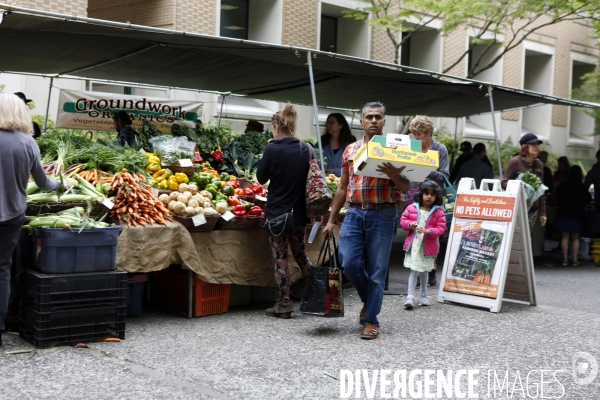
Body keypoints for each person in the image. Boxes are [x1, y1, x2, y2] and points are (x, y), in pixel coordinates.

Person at [323, 101, 409, 340]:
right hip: (354, 213)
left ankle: (371, 320)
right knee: (348, 262)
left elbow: (405, 186)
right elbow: (342, 188)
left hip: (383, 214)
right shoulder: (350, 150)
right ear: (361, 121)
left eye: (378, 117)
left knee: (377, 271)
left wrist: (393, 173)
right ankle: (369, 301)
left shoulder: (394, 149)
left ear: (384, 122)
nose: (373, 121)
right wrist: (331, 220)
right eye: (369, 117)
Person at [0, 93, 68, 347]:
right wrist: (61, 185)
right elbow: (43, 183)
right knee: (2, 270)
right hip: (12, 214)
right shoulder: (28, 143)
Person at [256, 104, 314, 319]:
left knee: (280, 257)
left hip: (277, 213)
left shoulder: (272, 148)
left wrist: (270, 147)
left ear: (276, 126)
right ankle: (317, 295)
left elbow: (261, 178)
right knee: (301, 256)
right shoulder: (306, 148)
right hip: (298, 212)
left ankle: (284, 303)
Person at [403, 115, 450, 287]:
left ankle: (431, 268)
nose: (416, 137)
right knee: (415, 233)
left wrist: (426, 167)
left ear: (429, 132)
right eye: (414, 133)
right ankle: (416, 269)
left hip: (434, 196)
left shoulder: (440, 149)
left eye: (420, 134)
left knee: (432, 233)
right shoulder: (410, 147)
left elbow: (444, 176)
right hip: (414, 195)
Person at [400, 181, 446, 309]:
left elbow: (441, 229)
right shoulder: (412, 208)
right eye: (426, 193)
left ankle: (423, 295)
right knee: (414, 271)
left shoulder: (438, 212)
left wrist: (428, 231)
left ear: (437, 197)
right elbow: (403, 221)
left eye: (432, 194)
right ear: (421, 194)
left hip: (428, 247)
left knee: (424, 271)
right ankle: (410, 296)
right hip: (415, 246)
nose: (429, 197)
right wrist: (410, 224)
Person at [502, 133, 547, 230]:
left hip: (533, 210)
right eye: (533, 144)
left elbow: (541, 190)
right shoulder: (515, 161)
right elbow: (504, 182)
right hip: (517, 209)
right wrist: (519, 186)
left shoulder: (539, 164)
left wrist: (543, 213)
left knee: (526, 240)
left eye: (537, 144)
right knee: (514, 237)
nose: (536, 146)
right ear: (524, 147)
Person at [554, 166, 591, 266]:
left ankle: (565, 259)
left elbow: (557, 198)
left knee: (565, 237)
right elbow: (588, 199)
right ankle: (575, 259)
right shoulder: (582, 187)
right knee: (575, 238)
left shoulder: (563, 185)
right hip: (577, 214)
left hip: (564, 213)